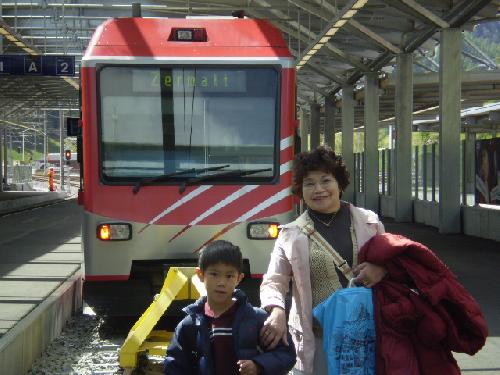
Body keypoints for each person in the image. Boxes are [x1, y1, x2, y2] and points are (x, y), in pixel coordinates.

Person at [259, 146, 386, 375]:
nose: (318, 189)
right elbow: (274, 281)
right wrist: (277, 310)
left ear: (339, 184)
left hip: (366, 336)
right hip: (316, 339)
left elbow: (397, 265)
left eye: (326, 180)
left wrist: (382, 270)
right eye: (309, 183)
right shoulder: (290, 234)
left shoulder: (370, 223)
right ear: (301, 189)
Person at [163, 240, 296, 375]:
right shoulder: (189, 325)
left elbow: (286, 354)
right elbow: (174, 365)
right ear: (201, 275)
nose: (221, 282)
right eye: (214, 274)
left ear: (239, 278)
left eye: (229, 276)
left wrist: (258, 365)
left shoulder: (258, 319)